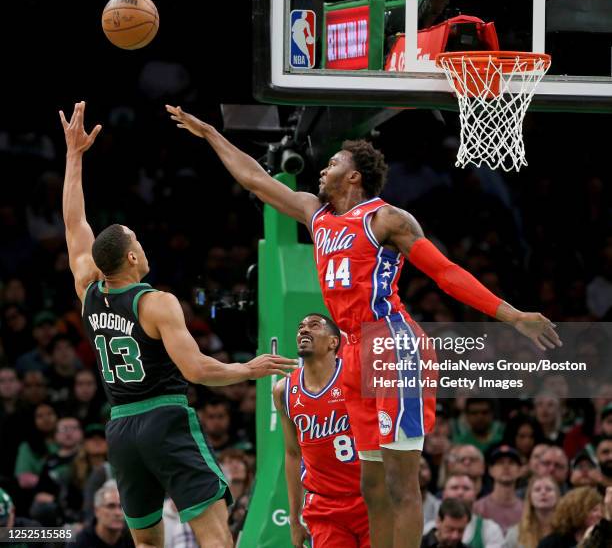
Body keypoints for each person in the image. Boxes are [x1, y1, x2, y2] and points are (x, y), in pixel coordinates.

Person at [167, 104, 561, 548]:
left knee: (399, 481)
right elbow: (255, 177)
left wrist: (512, 315)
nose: (323, 168)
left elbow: (446, 273)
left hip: (391, 342)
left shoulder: (385, 219)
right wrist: (210, 135)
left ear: (354, 176)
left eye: (334, 163)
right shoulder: (317, 216)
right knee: (370, 484)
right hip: (352, 350)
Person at [60, 101, 298, 548]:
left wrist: (74, 156)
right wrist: (249, 370)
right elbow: (197, 371)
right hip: (163, 418)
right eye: (139, 244)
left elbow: (75, 222)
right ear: (133, 257)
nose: (144, 248)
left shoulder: (88, 289)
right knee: (216, 538)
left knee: (148, 543)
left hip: (121, 429)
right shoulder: (155, 303)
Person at [273, 313, 370, 547]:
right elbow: (292, 454)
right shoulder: (283, 390)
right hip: (324, 507)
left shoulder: (357, 378)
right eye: (300, 327)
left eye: (314, 326)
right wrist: (294, 520)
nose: (304, 330)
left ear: (333, 342)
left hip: (370, 498)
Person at [424, 473, 505, 548]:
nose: (460, 492)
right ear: (444, 493)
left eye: (466, 488)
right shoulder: (426, 529)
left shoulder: (490, 528)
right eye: (454, 488)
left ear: (475, 494)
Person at [472, 445, 524, 534]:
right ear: (490, 470)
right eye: (500, 463)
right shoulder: (478, 508)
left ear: (520, 470)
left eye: (511, 463)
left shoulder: (526, 510)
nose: (506, 467)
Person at [536, 486, 603, 548]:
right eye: (594, 510)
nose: (600, 514)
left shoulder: (606, 539)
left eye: (601, 510)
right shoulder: (552, 543)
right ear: (576, 511)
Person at [74, 480, 134, 548]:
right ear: (97, 511)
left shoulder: (132, 540)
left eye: (121, 507)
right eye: (111, 506)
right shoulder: (80, 543)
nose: (118, 513)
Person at [505, 476, 560, 548]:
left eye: (548, 489)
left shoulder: (567, 530)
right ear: (530, 498)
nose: (543, 492)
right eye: (537, 490)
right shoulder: (516, 533)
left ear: (557, 497)